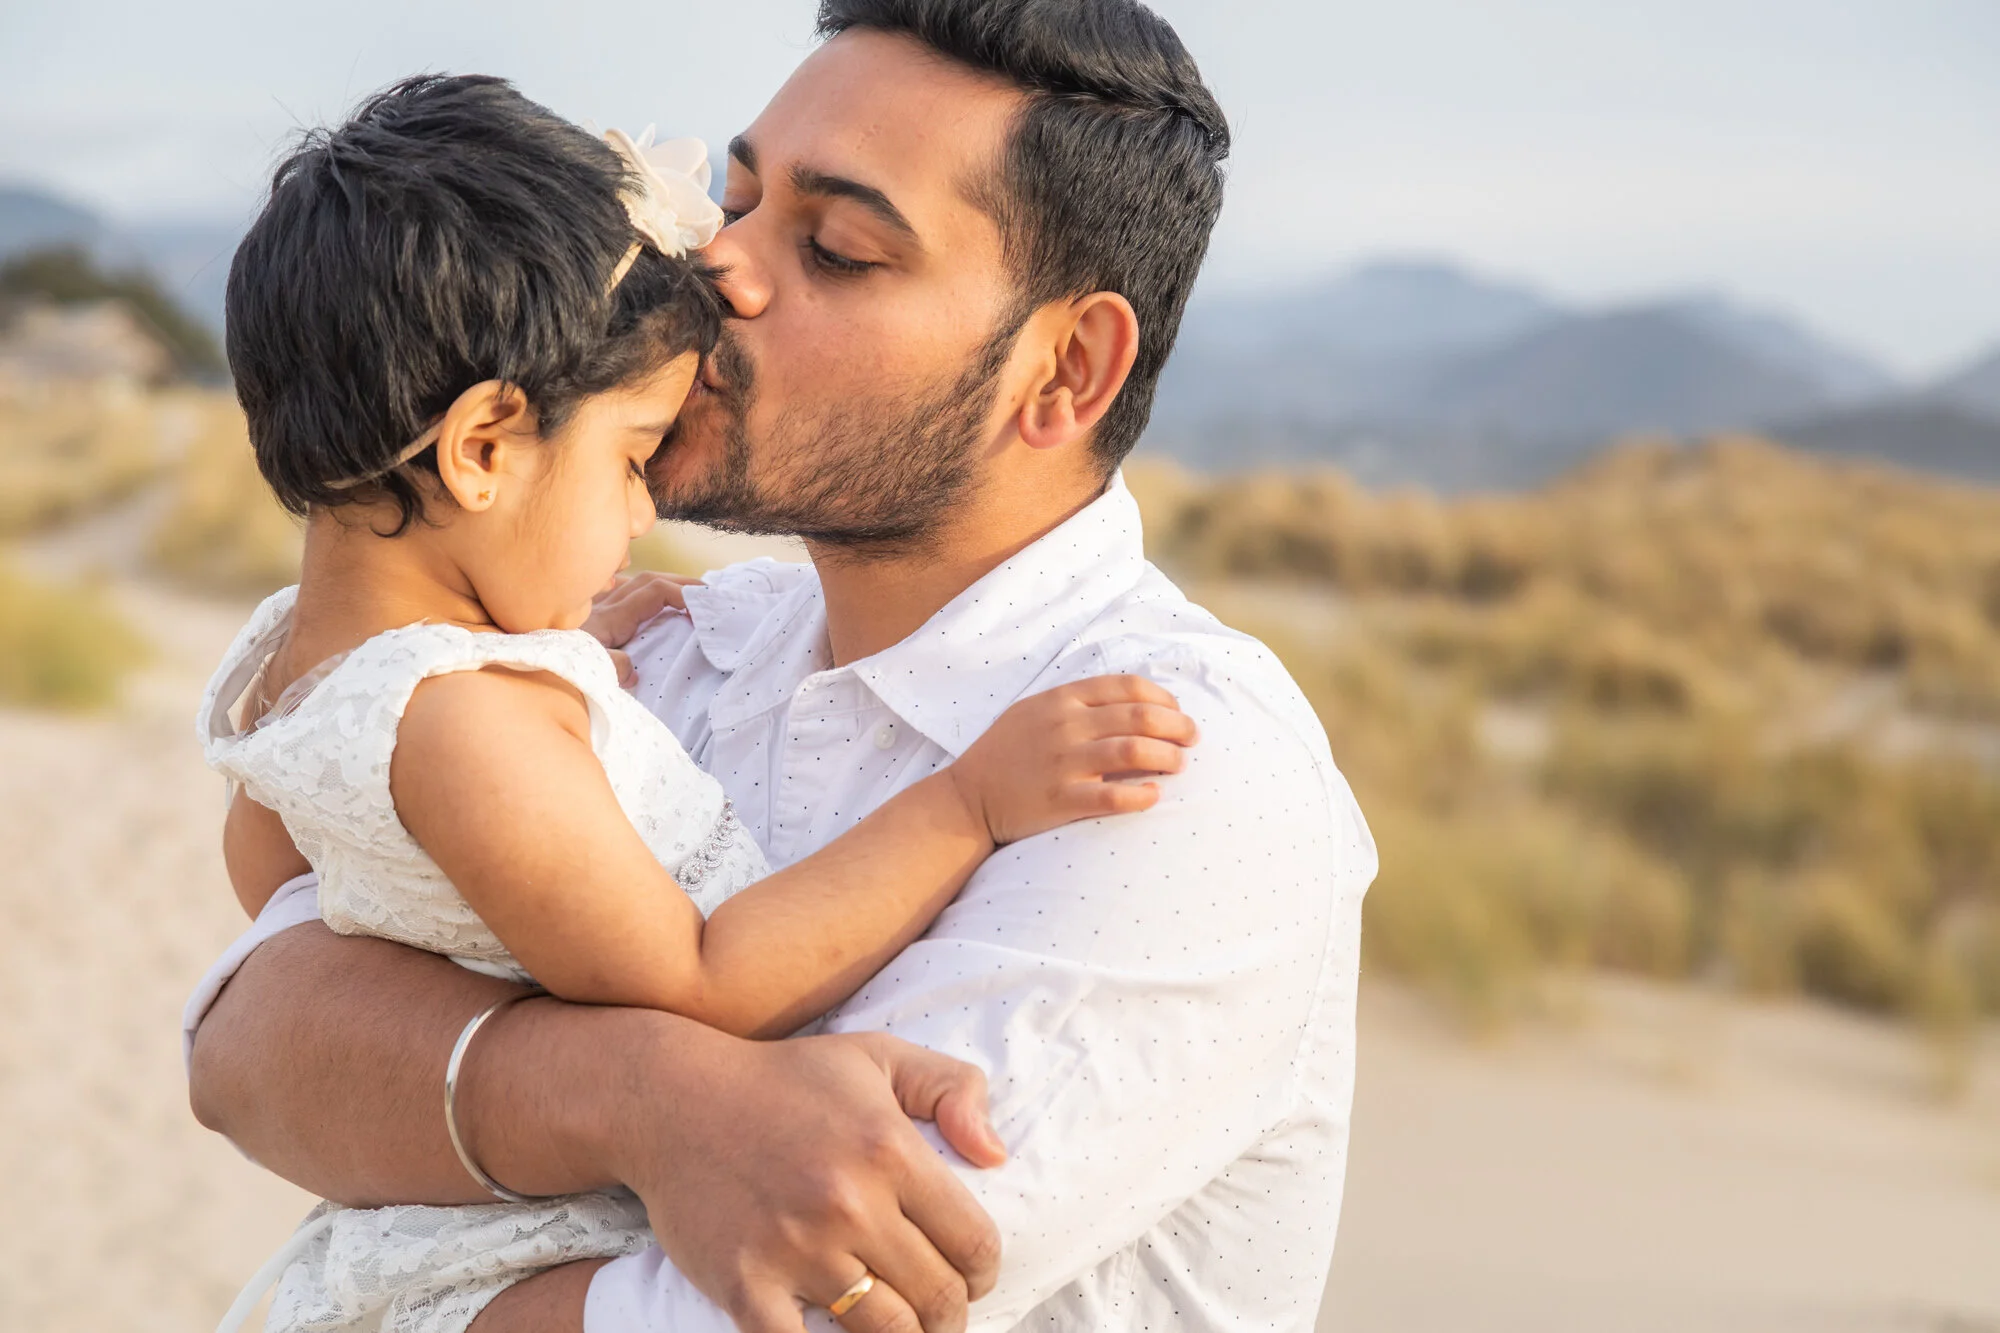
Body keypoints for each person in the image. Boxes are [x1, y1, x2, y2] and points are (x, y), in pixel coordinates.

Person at [186, 3, 1378, 1331]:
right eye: (735, 201)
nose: (721, 271)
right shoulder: (649, 648)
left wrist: (504, 1096)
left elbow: (794, 1304)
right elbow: (248, 1044)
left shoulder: (1165, 766)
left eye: (839, 248)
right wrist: (653, 1099)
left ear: (1066, 370)